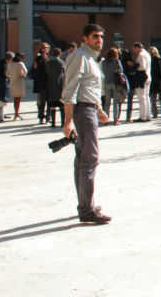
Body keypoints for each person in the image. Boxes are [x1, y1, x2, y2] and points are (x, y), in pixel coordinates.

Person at [62, 24, 111, 224]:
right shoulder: (80, 56)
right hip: (82, 111)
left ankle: (85, 204)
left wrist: (98, 109)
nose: (99, 39)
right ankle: (86, 209)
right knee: (89, 159)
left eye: (101, 36)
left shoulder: (92, 58)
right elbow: (70, 88)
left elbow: (89, 87)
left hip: (89, 109)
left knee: (83, 159)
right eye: (94, 36)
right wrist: (68, 120)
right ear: (85, 38)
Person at [100, 47, 124, 125]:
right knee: (116, 102)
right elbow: (121, 71)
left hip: (107, 82)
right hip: (115, 83)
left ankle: (106, 119)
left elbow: (103, 71)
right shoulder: (117, 61)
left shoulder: (104, 62)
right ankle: (116, 120)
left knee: (107, 102)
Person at [132, 42, 152, 122]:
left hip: (142, 78)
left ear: (137, 47)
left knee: (142, 97)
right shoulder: (147, 54)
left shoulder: (141, 55)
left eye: (134, 49)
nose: (134, 51)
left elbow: (142, 67)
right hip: (148, 77)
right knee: (146, 97)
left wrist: (134, 66)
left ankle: (142, 116)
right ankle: (148, 115)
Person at [46, 47, 66, 128]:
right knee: (61, 104)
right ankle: (62, 122)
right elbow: (64, 72)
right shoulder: (61, 62)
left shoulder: (48, 63)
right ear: (59, 54)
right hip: (60, 85)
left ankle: (53, 123)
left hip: (50, 84)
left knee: (52, 104)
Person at [33, 43, 50, 124]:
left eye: (47, 47)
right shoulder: (38, 58)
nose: (45, 49)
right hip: (40, 80)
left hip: (48, 80)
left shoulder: (50, 57)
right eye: (44, 47)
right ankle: (41, 117)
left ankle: (48, 117)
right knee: (42, 100)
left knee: (49, 100)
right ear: (41, 48)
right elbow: (35, 67)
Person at [7, 52, 27, 121]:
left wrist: (11, 76)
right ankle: (16, 114)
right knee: (18, 99)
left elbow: (7, 73)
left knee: (15, 99)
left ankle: (16, 114)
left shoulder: (9, 64)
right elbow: (25, 72)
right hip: (19, 83)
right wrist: (22, 75)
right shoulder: (20, 64)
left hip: (12, 83)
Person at [149, 46, 161, 119]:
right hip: (160, 81)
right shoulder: (160, 59)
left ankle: (155, 114)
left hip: (152, 81)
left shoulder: (149, 60)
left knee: (153, 98)